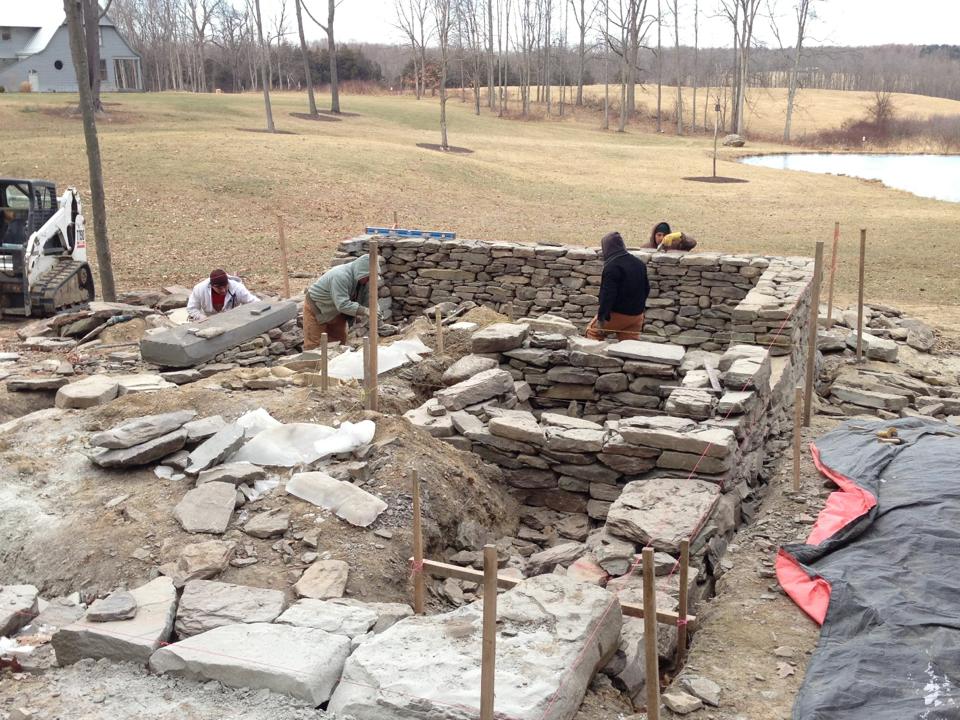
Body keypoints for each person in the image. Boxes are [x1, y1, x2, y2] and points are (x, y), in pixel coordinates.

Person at [303, 254, 378, 349]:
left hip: (336, 312)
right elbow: (342, 305)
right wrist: (365, 311)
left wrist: (378, 317)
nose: (369, 280)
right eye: (367, 277)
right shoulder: (341, 276)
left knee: (339, 344)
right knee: (314, 346)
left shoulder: (364, 281)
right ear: (360, 272)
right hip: (317, 309)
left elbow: (371, 302)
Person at [586, 231, 649, 341]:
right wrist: (639, 309)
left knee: (593, 332)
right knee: (629, 345)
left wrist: (602, 317)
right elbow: (646, 289)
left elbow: (608, 294)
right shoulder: (639, 263)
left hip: (619, 314)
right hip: (637, 316)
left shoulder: (612, 267)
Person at [186, 269, 259, 321]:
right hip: (207, 320)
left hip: (232, 319)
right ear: (211, 286)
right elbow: (192, 308)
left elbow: (255, 302)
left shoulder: (237, 288)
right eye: (219, 288)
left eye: (225, 286)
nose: (223, 290)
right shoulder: (199, 289)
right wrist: (201, 317)